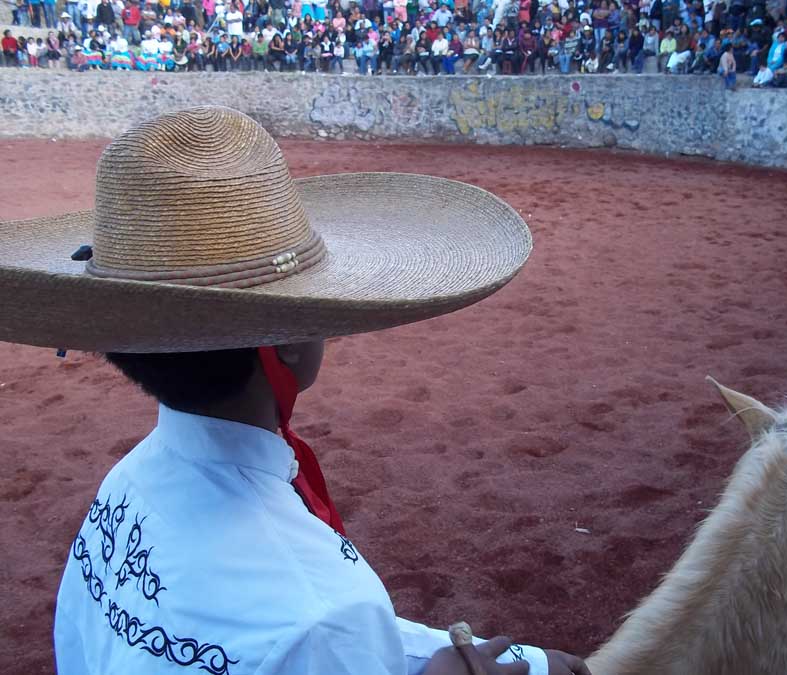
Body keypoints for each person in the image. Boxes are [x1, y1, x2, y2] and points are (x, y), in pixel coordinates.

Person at [0, 106, 595, 675]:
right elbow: (322, 632)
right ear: (285, 341)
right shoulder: (321, 609)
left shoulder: (127, 483)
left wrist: (530, 663)